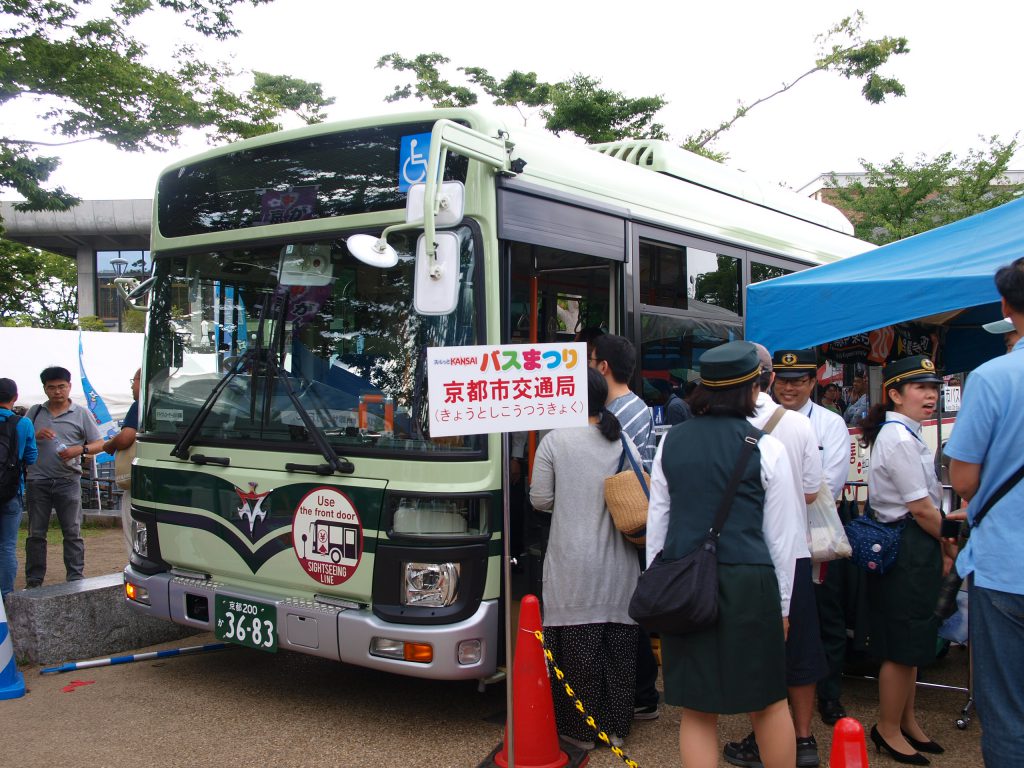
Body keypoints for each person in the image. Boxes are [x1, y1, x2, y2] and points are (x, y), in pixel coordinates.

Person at [646, 341, 803, 768]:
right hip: (749, 582)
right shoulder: (766, 447)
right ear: (753, 389)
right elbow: (783, 538)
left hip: (684, 580)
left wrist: (662, 591)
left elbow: (657, 528)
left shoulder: (670, 443)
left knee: (697, 709)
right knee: (768, 702)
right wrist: (785, 606)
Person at [724, 344, 827, 768]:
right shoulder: (800, 427)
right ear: (767, 378)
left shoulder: (720, 423)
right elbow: (811, 491)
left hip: (744, 555)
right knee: (800, 648)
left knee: (757, 652)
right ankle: (801, 739)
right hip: (794, 552)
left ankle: (761, 737)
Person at [529, 367, 642, 751]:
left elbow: (540, 500)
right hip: (620, 565)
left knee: (578, 655)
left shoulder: (554, 441)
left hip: (572, 564)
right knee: (618, 652)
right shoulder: (621, 439)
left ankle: (580, 732)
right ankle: (616, 729)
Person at [946, 257, 1024, 768]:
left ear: (1006, 306)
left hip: (1006, 564)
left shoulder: (994, 377)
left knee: (1009, 712)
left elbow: (965, 479)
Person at [858, 355, 948, 765]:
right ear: (894, 394)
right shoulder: (896, 437)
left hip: (914, 542)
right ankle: (888, 728)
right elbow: (924, 509)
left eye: (933, 387)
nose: (930, 395)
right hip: (906, 543)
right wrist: (951, 542)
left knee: (912, 641)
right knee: (901, 644)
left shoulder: (904, 433)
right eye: (919, 388)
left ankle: (907, 722)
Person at [771, 350, 853, 727]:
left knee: (826, 617)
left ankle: (830, 695)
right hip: (774, 540)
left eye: (798, 380)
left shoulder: (829, 423)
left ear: (812, 382)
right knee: (783, 622)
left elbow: (828, 484)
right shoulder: (760, 419)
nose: (789, 387)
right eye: (783, 379)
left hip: (815, 535)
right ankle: (779, 704)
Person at [589, 333, 661, 721]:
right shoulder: (632, 406)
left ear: (603, 368)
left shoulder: (623, 411)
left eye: (591, 359)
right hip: (621, 520)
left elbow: (612, 466)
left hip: (623, 520)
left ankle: (644, 692)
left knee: (625, 609)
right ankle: (639, 689)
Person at [24, 366, 104, 586]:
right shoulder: (35, 412)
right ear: (45, 389)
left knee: (72, 531)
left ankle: (75, 577)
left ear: (69, 387)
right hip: (37, 480)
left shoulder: (81, 413)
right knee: (36, 533)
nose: (57, 391)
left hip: (68, 479)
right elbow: (22, 439)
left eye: (61, 386)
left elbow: (100, 443)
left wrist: (80, 449)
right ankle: (34, 579)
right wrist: (34, 434)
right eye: (52, 387)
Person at [1, 378, 38, 599]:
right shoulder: (23, 423)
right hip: (10, 491)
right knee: (6, 546)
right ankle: (5, 596)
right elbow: (31, 457)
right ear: (15, 398)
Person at [103, 368, 140, 552]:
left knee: (135, 535)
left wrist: (109, 445)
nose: (132, 387)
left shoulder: (141, 404)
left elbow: (127, 436)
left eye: (133, 382)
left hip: (139, 480)